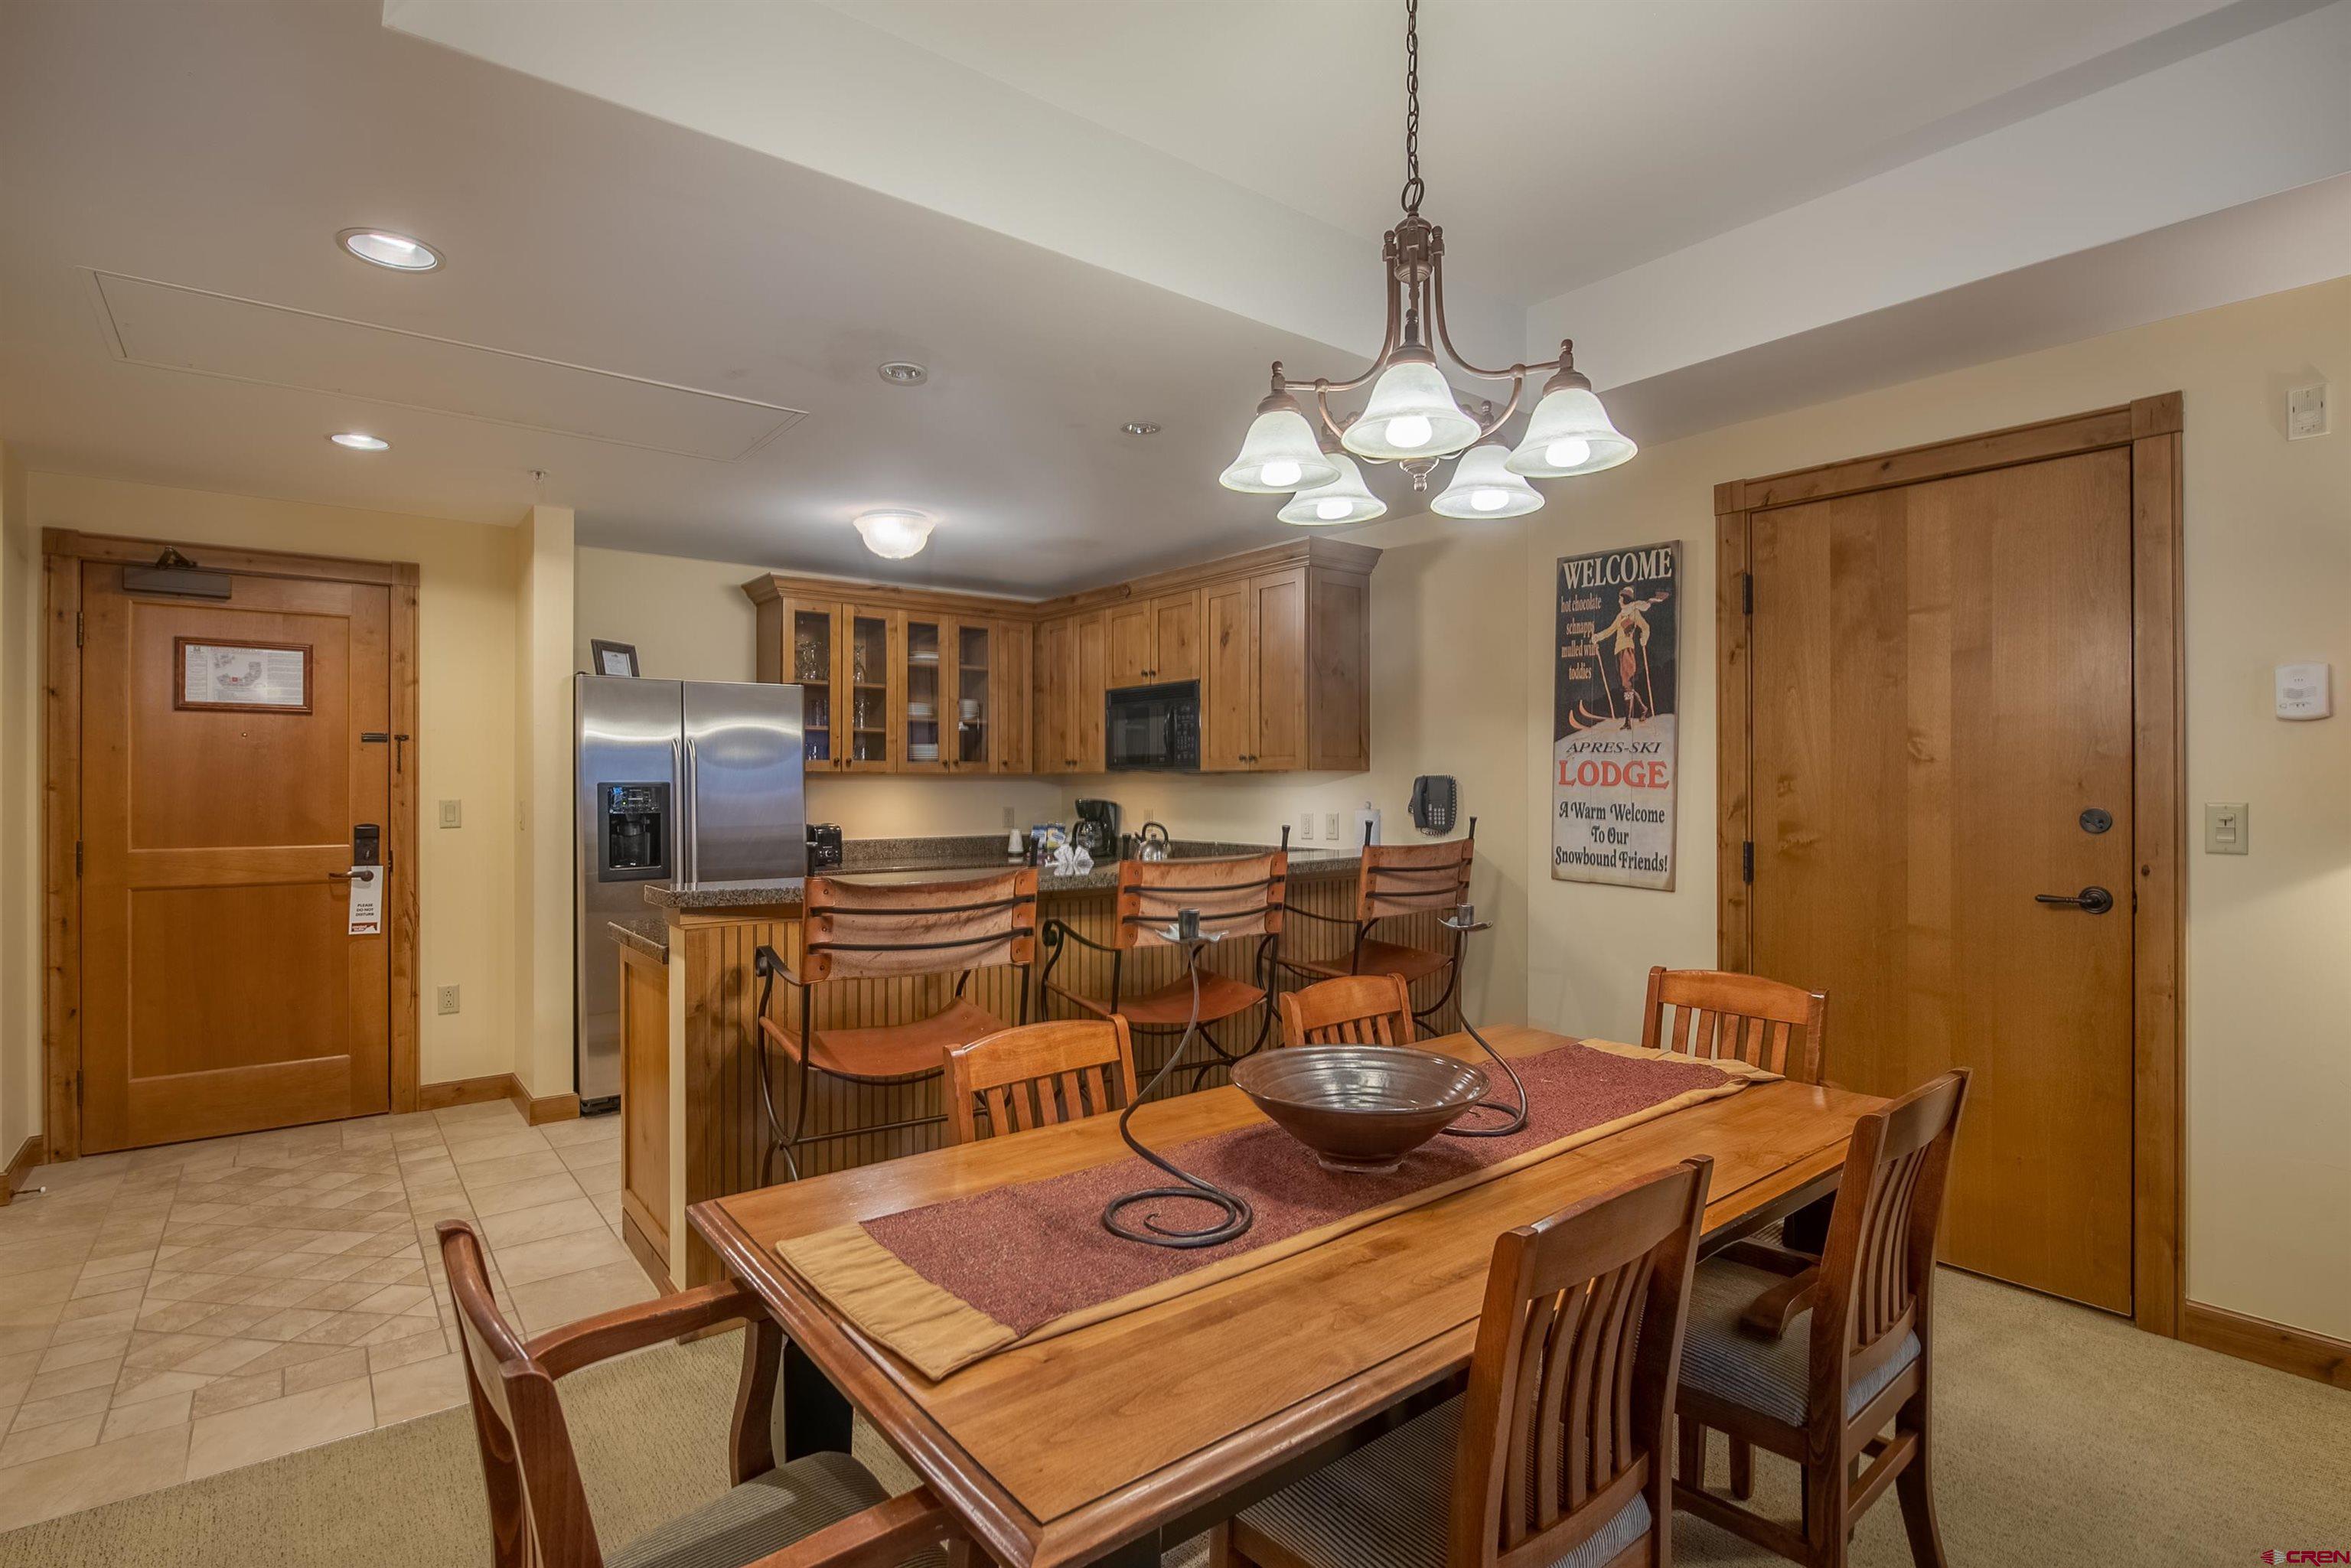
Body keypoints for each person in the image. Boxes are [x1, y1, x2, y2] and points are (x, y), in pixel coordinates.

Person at [1590, 585, 1668, 727]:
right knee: (1626, 687)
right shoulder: (1621, 615)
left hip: (1627, 651)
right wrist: (1597, 637)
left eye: (1620, 598)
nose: (1619, 601)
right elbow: (1610, 630)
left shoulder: (1634, 612)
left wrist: (1645, 638)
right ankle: (1643, 709)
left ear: (1625, 599)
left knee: (1627, 685)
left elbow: (1646, 627)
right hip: (1618, 652)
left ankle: (1627, 721)